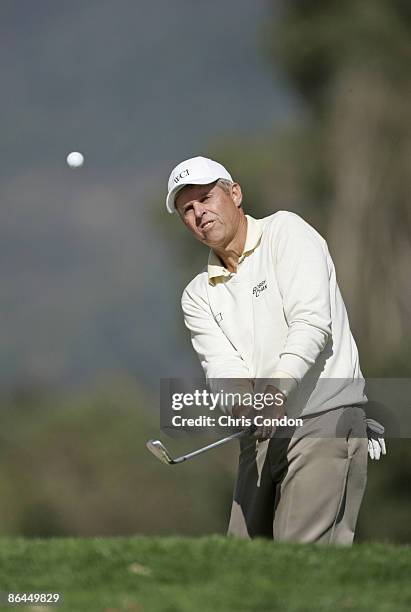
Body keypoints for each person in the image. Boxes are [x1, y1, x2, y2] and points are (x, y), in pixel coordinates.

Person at [165, 156, 386, 544]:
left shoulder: (287, 232)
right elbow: (221, 366)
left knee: (301, 560)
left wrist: (273, 391)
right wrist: (243, 404)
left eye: (207, 197)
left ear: (235, 193)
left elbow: (312, 322)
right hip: (262, 431)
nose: (199, 212)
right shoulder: (198, 295)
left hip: (323, 418)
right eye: (188, 208)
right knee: (243, 562)